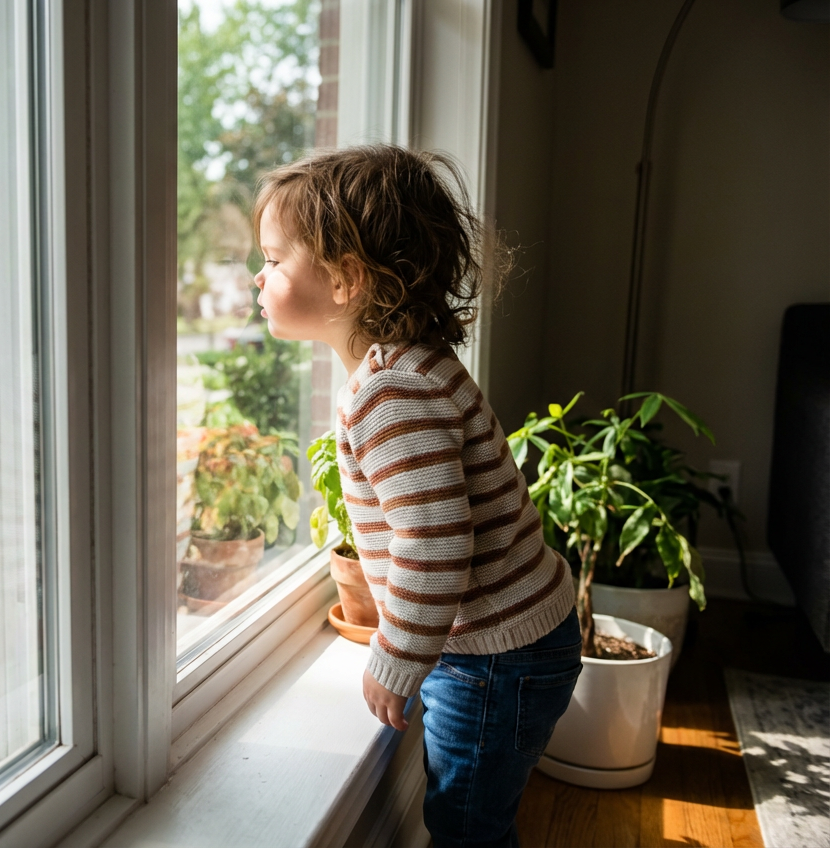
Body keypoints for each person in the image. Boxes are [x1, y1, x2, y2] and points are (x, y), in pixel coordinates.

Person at [251, 145, 582, 848]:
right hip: (514, 641)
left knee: (466, 828)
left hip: (495, 659)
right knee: (478, 818)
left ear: (345, 279)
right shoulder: (415, 363)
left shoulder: (391, 393)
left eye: (275, 259)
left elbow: (433, 543)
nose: (260, 274)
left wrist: (399, 657)